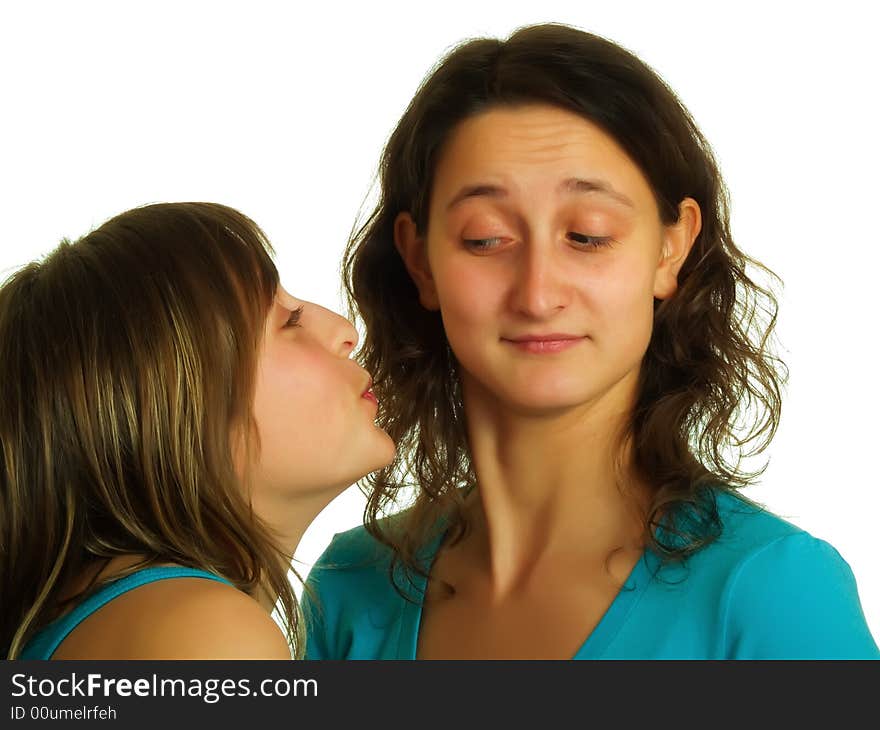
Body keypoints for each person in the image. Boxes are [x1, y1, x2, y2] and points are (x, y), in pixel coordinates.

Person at [302, 24, 879, 659]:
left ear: (671, 249)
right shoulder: (348, 587)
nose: (538, 293)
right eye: (486, 238)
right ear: (420, 262)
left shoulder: (774, 590)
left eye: (588, 235)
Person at [0, 202, 394, 659]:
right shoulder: (205, 636)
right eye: (287, 321)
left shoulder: (108, 622)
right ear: (174, 410)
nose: (345, 331)